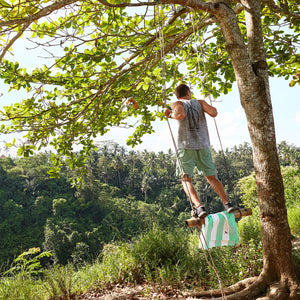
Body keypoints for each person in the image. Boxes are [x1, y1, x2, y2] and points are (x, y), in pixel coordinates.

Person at [164, 83, 236, 218]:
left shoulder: (177, 103)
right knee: (212, 178)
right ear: (188, 93)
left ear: (177, 95)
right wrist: (202, 106)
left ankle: (199, 207)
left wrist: (169, 115)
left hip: (186, 147)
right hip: (203, 145)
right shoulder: (200, 102)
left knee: (186, 180)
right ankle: (227, 203)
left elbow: (179, 115)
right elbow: (214, 112)